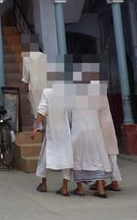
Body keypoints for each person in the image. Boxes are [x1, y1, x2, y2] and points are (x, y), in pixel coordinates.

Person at [69, 65, 111, 198]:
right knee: (97, 157)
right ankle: (101, 189)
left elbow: (69, 115)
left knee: (78, 158)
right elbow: (100, 109)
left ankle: (80, 188)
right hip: (94, 130)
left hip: (79, 131)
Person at [33, 62, 73, 197]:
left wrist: (35, 128)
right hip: (66, 131)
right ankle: (65, 187)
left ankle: (43, 184)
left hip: (53, 131)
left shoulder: (48, 92)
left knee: (45, 156)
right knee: (66, 157)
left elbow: (41, 112)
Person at [91, 83, 122, 193]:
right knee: (111, 154)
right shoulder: (100, 87)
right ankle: (114, 182)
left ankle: (101, 182)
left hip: (100, 125)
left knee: (100, 155)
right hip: (107, 123)